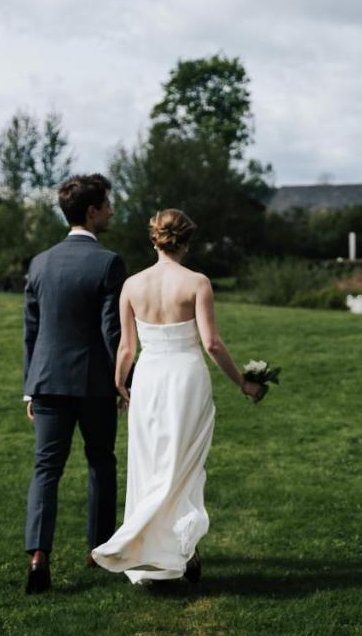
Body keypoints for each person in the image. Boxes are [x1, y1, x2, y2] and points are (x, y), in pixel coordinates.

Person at [92, 209, 266, 584]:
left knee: (153, 462)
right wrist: (242, 382)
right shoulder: (197, 282)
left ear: (154, 238)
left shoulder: (132, 285)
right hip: (186, 378)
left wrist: (121, 384)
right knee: (185, 465)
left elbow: (125, 348)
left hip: (150, 379)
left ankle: (173, 547)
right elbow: (212, 344)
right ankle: (180, 547)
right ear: (186, 240)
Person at [22, 174, 127, 594]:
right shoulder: (109, 263)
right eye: (107, 204)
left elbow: (31, 330)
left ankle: (37, 556)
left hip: (46, 382)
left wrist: (30, 387)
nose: (112, 210)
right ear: (91, 211)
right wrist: (124, 382)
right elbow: (111, 332)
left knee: (46, 469)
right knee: (101, 462)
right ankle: (98, 549)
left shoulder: (39, 262)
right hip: (95, 384)